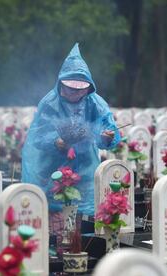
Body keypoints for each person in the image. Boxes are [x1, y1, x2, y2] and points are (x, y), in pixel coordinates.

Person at [22, 43, 120, 219]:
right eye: (71, 88)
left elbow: (107, 129)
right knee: (54, 218)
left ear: (88, 87)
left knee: (86, 216)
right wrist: (55, 141)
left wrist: (106, 137)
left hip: (85, 168)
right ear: (61, 84)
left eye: (80, 89)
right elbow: (37, 136)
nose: (75, 93)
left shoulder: (95, 103)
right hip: (53, 170)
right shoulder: (49, 103)